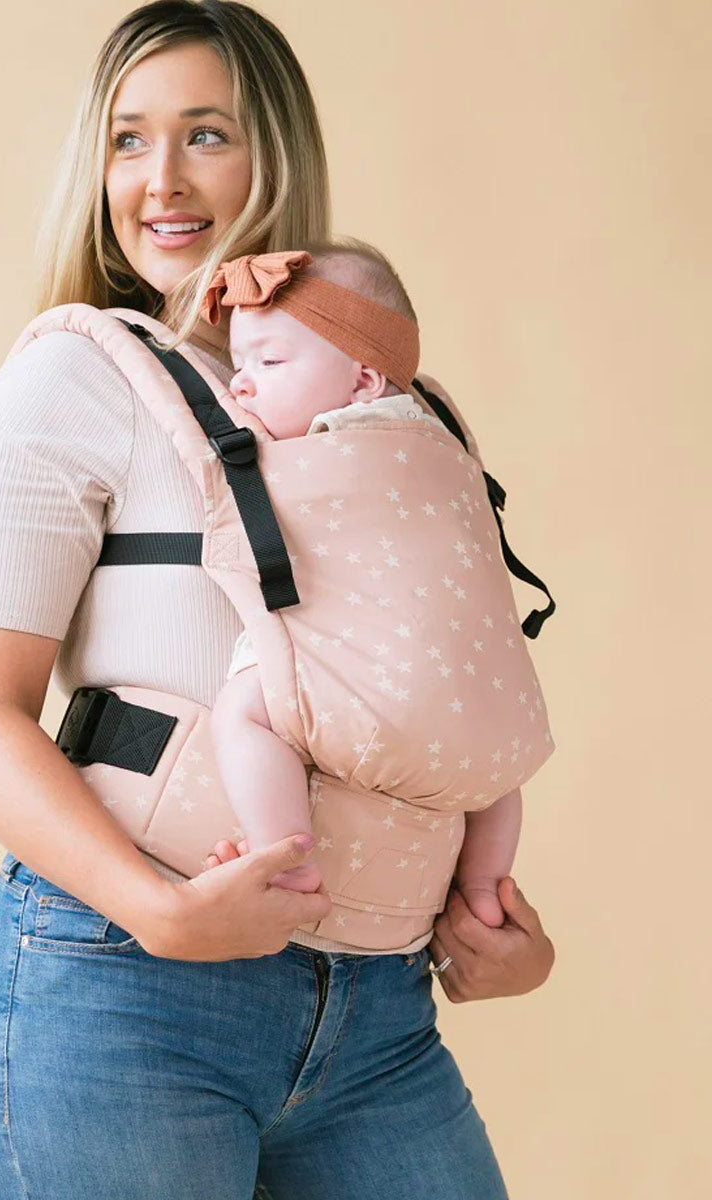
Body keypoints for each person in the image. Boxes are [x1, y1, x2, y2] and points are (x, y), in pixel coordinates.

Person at [0, 3, 555, 1197]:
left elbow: (426, 689)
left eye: (205, 134)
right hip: (121, 999)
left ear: (275, 152)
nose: (160, 179)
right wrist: (157, 913)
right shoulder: (67, 379)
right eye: (126, 140)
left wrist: (483, 912)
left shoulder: (387, 410)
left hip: (377, 1017)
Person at [206, 243, 528, 928]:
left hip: (369, 687)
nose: (241, 386)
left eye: (269, 361)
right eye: (237, 367)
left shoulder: (320, 443)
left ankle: (285, 858)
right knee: (497, 781)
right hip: (481, 706)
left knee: (244, 710)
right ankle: (483, 889)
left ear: (361, 385)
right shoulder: (443, 439)